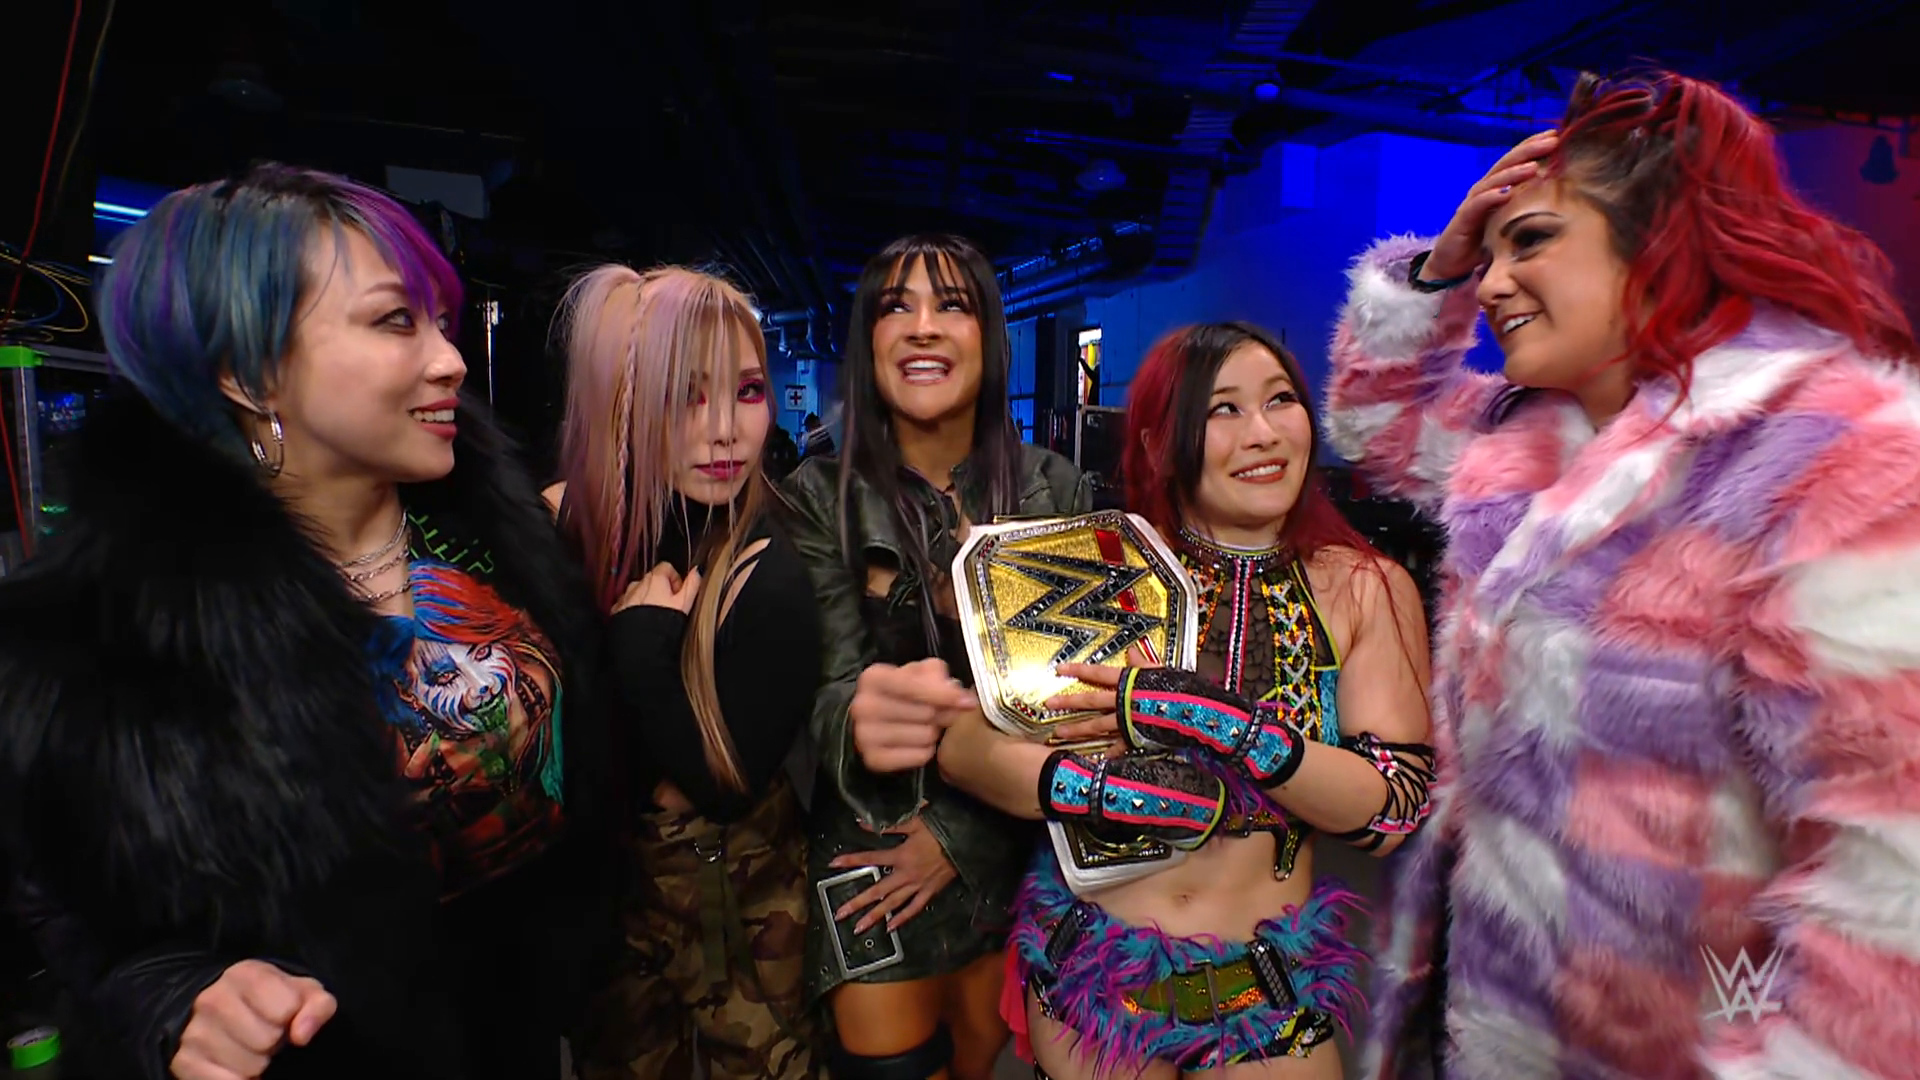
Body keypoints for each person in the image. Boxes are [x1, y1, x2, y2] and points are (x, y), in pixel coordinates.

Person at [1325, 70, 1920, 1080]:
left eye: (1531, 241)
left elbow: (1891, 900)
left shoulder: (1834, 457)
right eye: (1490, 256)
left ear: (1660, 239)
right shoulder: (1530, 439)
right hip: (1501, 1021)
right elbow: (1373, 426)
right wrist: (1440, 268)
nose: (1494, 284)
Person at [0, 163, 609, 1080]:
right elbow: (71, 907)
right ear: (247, 374)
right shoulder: (115, 627)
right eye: (395, 320)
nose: (450, 359)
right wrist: (178, 999)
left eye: (440, 321)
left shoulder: (491, 529)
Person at [908, 322, 1434, 1079]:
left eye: (1280, 400)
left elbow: (1393, 810)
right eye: (1224, 409)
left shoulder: (1362, 588)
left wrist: (1228, 729)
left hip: (1264, 995)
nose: (1262, 433)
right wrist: (1095, 789)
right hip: (1094, 984)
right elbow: (964, 748)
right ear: (1159, 446)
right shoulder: (1101, 567)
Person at [782, 234, 1091, 1080]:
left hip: (1014, 848)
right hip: (874, 857)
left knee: (985, 1060)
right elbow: (827, 695)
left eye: (952, 305)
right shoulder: (817, 495)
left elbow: (1074, 710)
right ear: (868, 341)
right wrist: (859, 718)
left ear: (988, 337)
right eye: (896, 307)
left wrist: (958, 838)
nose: (923, 326)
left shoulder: (1053, 487)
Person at [550, 265, 820, 1080]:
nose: (726, 430)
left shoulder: (770, 572)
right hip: (610, 910)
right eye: (685, 396)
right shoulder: (566, 527)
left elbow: (722, 784)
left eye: (747, 391)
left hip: (741, 915)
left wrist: (640, 647)